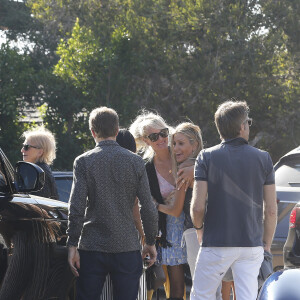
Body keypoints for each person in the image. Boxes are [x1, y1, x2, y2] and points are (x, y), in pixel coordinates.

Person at [67, 107, 158, 300]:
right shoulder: (135, 162)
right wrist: (150, 241)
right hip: (126, 245)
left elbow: (76, 207)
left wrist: (72, 244)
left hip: (92, 246)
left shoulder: (83, 162)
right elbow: (148, 207)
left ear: (92, 132)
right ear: (117, 130)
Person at [190, 100, 277, 300]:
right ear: (242, 126)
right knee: (247, 296)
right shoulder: (263, 158)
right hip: (251, 242)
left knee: (202, 295)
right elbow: (271, 209)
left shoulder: (206, 157)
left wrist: (199, 230)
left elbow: (197, 207)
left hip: (216, 241)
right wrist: (265, 244)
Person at [130, 112, 194, 300]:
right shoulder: (146, 168)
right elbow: (139, 204)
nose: (161, 139)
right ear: (145, 140)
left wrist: (193, 168)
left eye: (164, 133)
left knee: (185, 283)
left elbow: (205, 165)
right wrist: (144, 237)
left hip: (190, 225)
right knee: (159, 282)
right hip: (163, 231)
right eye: (153, 136)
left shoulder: (182, 156)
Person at [155, 122, 203, 278]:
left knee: (201, 285)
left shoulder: (185, 169)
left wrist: (155, 205)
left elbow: (175, 210)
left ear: (195, 145)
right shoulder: (205, 165)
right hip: (214, 230)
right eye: (174, 144)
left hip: (194, 231)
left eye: (181, 143)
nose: (175, 149)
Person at [21, 126, 59, 200]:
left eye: (27, 147)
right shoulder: (40, 168)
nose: (22, 150)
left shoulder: (38, 171)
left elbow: (39, 204)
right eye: (23, 146)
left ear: (40, 152)